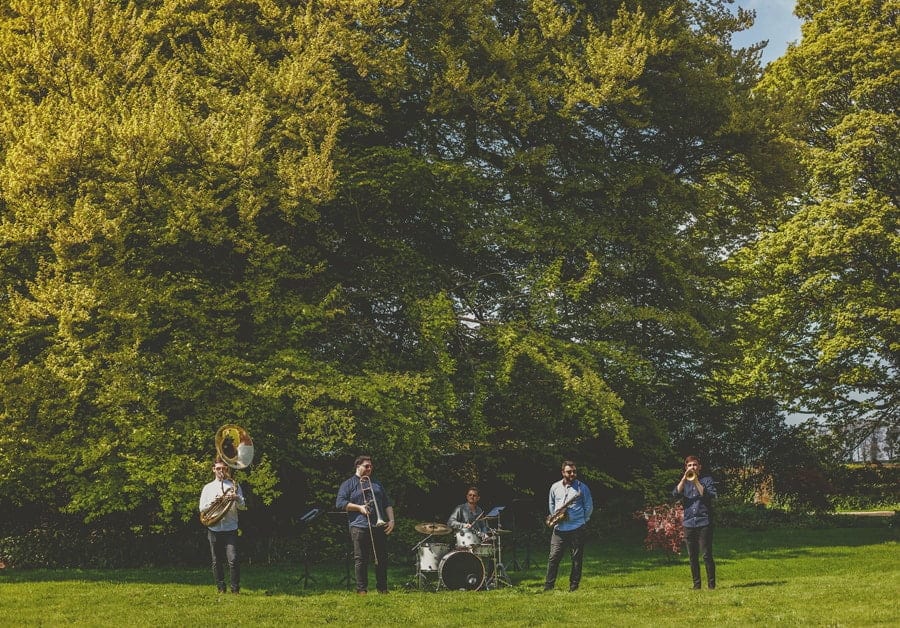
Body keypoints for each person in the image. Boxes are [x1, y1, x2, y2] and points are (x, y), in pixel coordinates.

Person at [335, 455, 396, 594]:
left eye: (371, 466)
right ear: (358, 466)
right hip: (359, 526)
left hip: (379, 525)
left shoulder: (377, 483)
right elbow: (340, 503)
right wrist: (359, 508)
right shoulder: (348, 484)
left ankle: (382, 589)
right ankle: (361, 590)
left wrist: (392, 520)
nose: (370, 468)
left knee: (381, 558)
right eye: (366, 466)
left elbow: (387, 504)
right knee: (360, 559)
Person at [543, 460, 593, 592]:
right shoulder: (555, 487)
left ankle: (574, 586)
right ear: (562, 472)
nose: (572, 474)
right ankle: (548, 586)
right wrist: (556, 517)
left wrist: (582, 520)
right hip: (559, 529)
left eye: (574, 471)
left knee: (576, 558)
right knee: (553, 557)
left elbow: (589, 507)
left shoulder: (583, 488)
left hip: (577, 528)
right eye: (569, 471)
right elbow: (551, 504)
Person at [199, 457, 246, 594]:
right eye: (218, 468)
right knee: (216, 561)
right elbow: (202, 509)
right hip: (214, 528)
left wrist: (236, 498)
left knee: (233, 559)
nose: (221, 471)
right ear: (213, 470)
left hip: (230, 527)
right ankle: (220, 588)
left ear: (227, 469)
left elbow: (243, 507)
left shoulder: (234, 486)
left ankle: (235, 589)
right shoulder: (207, 488)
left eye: (224, 468)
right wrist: (214, 502)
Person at [673, 455, 717, 589]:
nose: (692, 467)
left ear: (699, 467)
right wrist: (683, 478)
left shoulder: (707, 480)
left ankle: (711, 585)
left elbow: (708, 495)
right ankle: (696, 585)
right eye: (690, 465)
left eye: (695, 465)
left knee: (706, 555)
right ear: (686, 467)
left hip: (704, 522)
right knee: (692, 557)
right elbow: (675, 494)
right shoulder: (684, 483)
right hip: (688, 523)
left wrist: (696, 480)